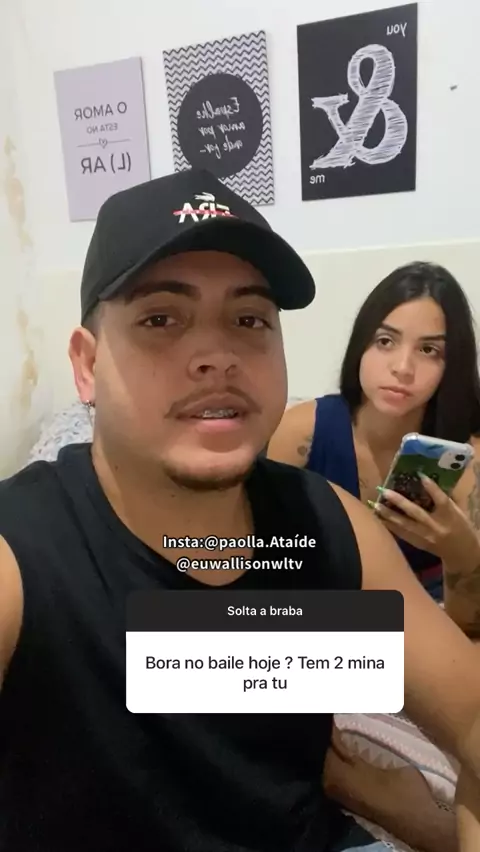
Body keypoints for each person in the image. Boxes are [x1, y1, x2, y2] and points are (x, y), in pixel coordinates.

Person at [0, 169, 479, 852]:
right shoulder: (23, 557)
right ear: (87, 365)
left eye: (249, 319)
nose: (216, 355)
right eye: (160, 318)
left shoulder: (325, 527)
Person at [268, 261, 480, 632]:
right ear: (361, 345)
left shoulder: (465, 457)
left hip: (426, 624)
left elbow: (469, 627)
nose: (403, 367)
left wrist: (461, 553)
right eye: (385, 341)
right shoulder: (301, 432)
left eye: (429, 350)